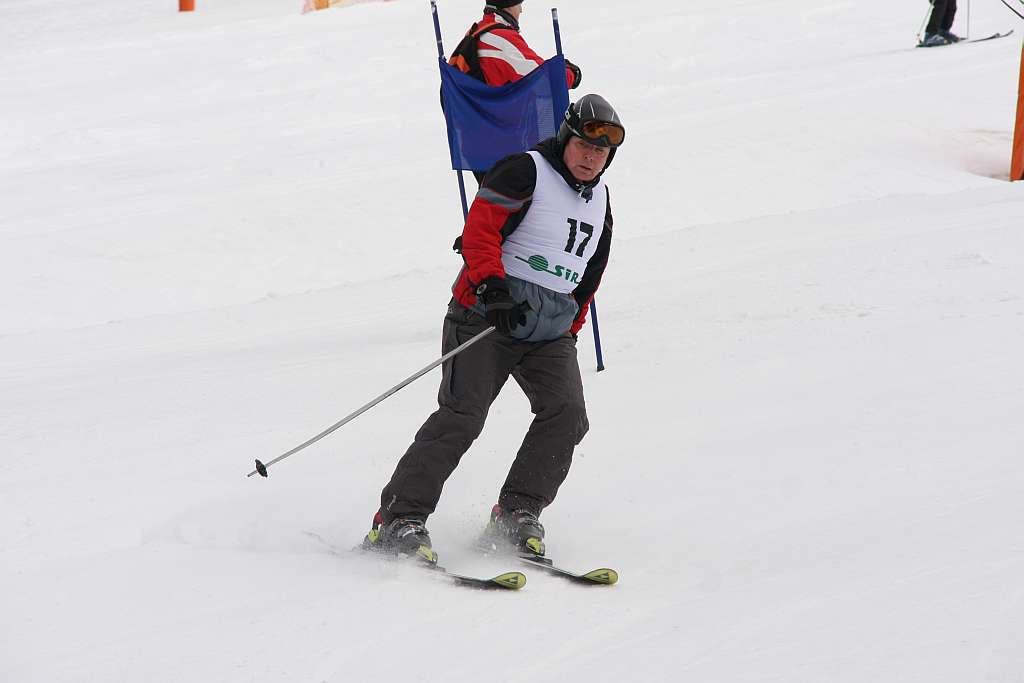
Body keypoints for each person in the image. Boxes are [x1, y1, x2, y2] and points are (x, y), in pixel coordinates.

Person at [362, 94, 625, 562]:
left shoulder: (601, 201)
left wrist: (570, 327)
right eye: (584, 145)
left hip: (548, 332)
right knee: (463, 416)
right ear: (566, 139)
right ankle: (398, 518)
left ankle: (517, 512)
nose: (590, 157)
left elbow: (590, 273)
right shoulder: (525, 171)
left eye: (601, 152)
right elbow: (480, 230)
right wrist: (492, 289)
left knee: (567, 414)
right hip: (487, 317)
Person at [448, 1, 582, 91]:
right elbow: (544, 79)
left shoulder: (475, 32)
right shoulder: (501, 38)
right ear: (509, 5)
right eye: (519, 4)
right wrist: (571, 74)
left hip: (478, 123)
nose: (521, 10)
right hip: (504, 126)